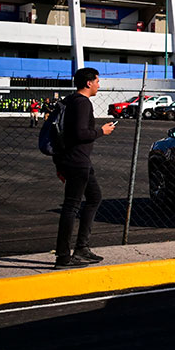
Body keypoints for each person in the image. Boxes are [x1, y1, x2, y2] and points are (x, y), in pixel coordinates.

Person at [53, 68, 116, 269]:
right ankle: (63, 257)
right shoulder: (82, 103)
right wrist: (102, 131)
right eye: (97, 81)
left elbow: (63, 133)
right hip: (77, 161)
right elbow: (81, 134)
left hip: (74, 161)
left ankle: (82, 248)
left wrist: (59, 163)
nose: (99, 84)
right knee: (71, 207)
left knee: (94, 197)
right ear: (88, 83)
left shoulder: (69, 100)